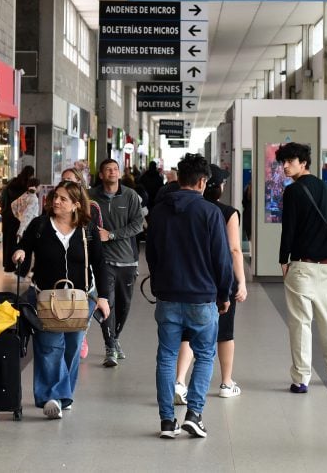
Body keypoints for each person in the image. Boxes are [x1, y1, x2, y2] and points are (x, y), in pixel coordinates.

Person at [146, 154, 233, 439]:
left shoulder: (158, 212)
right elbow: (221, 259)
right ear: (202, 181)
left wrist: (160, 286)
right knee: (206, 354)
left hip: (168, 297)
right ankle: (194, 414)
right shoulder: (210, 213)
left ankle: (167, 422)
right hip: (202, 297)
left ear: (179, 178)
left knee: (167, 358)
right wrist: (224, 293)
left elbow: (152, 255)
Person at [12, 180, 110, 419]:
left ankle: (61, 395)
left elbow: (100, 264)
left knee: (73, 348)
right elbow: (24, 244)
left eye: (63, 198)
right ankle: (54, 397)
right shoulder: (40, 225)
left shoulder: (88, 231)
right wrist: (21, 252)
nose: (56, 201)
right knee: (49, 348)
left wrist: (104, 297)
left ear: (76, 204)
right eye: (56, 196)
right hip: (46, 297)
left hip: (80, 299)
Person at [173, 164, 248, 402]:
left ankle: (179, 382)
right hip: (220, 279)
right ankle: (226, 383)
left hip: (193, 278)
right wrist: (241, 282)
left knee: (189, 332)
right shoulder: (228, 212)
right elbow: (234, 250)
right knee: (224, 332)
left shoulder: (188, 208)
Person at [275, 141, 327, 393]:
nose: (284, 166)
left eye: (289, 161)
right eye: (282, 162)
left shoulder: (293, 192)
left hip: (302, 267)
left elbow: (289, 230)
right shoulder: (324, 187)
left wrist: (283, 260)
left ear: (302, 163)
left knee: (300, 324)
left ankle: (301, 378)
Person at [89, 158, 145, 367]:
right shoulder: (91, 196)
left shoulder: (130, 196)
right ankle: (110, 346)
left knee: (123, 307)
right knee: (107, 303)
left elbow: (138, 225)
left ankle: (115, 337)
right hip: (103, 261)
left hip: (127, 260)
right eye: (107, 170)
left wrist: (111, 235)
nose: (112, 172)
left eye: (115, 169)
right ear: (101, 175)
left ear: (119, 173)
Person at [62, 166, 102, 360]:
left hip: (87, 265)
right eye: (63, 180)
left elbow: (97, 237)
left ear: (80, 182)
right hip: (63, 267)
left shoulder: (91, 207)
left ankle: (81, 333)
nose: (66, 184)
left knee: (87, 300)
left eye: (70, 180)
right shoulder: (55, 204)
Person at [1, 165, 35, 272]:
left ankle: (8, 265)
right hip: (18, 217)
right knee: (21, 241)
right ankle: (19, 265)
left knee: (8, 240)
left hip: (7, 215)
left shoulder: (13, 182)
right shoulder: (26, 186)